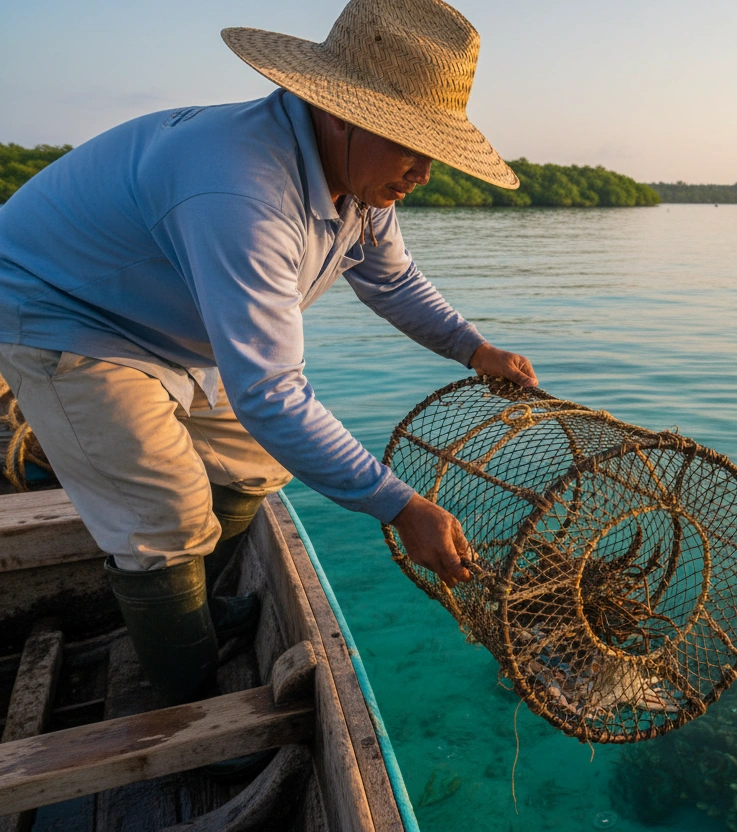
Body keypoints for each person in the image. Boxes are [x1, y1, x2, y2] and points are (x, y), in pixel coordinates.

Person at [0, 0, 532, 706]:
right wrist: (401, 507)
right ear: (341, 112)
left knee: (259, 458)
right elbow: (271, 393)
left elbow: (392, 278)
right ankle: (187, 704)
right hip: (61, 312)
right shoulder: (242, 190)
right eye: (411, 144)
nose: (425, 172)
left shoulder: (362, 185)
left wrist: (475, 348)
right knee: (167, 518)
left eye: (431, 148)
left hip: (162, 326)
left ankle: (193, 610)